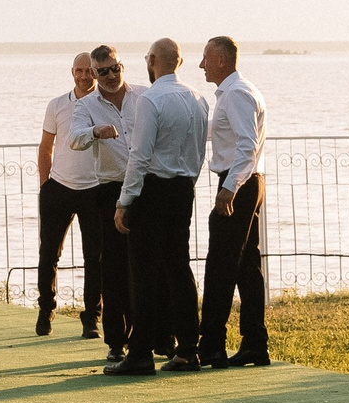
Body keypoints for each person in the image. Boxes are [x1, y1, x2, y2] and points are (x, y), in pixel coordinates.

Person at [105, 37, 207, 377]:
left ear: (152, 61)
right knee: (179, 268)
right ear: (180, 61)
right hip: (182, 189)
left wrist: (125, 200)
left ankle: (141, 354)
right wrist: (187, 183)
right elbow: (197, 151)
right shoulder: (198, 99)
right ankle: (188, 349)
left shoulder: (150, 100)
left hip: (153, 190)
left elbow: (139, 154)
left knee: (144, 273)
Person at [197, 36, 271, 368]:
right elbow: (222, 132)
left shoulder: (236, 94)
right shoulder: (238, 92)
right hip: (249, 181)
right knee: (246, 267)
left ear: (222, 60)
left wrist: (229, 188)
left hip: (238, 183)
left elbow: (246, 145)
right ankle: (255, 343)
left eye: (206, 59)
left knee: (221, 266)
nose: (201, 65)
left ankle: (211, 344)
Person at [67, 44, 136, 361]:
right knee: (113, 268)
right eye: (103, 71)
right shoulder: (87, 105)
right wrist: (96, 131)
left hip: (147, 186)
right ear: (93, 74)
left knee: (152, 264)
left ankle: (156, 335)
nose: (111, 76)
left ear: (122, 66)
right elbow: (75, 138)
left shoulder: (144, 96)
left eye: (115, 68)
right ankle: (116, 342)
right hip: (110, 188)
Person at [35, 51, 103, 337]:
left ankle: (91, 319)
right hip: (58, 188)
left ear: (96, 73)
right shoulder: (57, 105)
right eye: (80, 70)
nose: (85, 75)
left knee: (95, 258)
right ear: (72, 72)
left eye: (89, 71)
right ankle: (46, 310)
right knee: (49, 253)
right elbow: (45, 146)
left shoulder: (104, 104)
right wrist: (45, 185)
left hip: (95, 189)